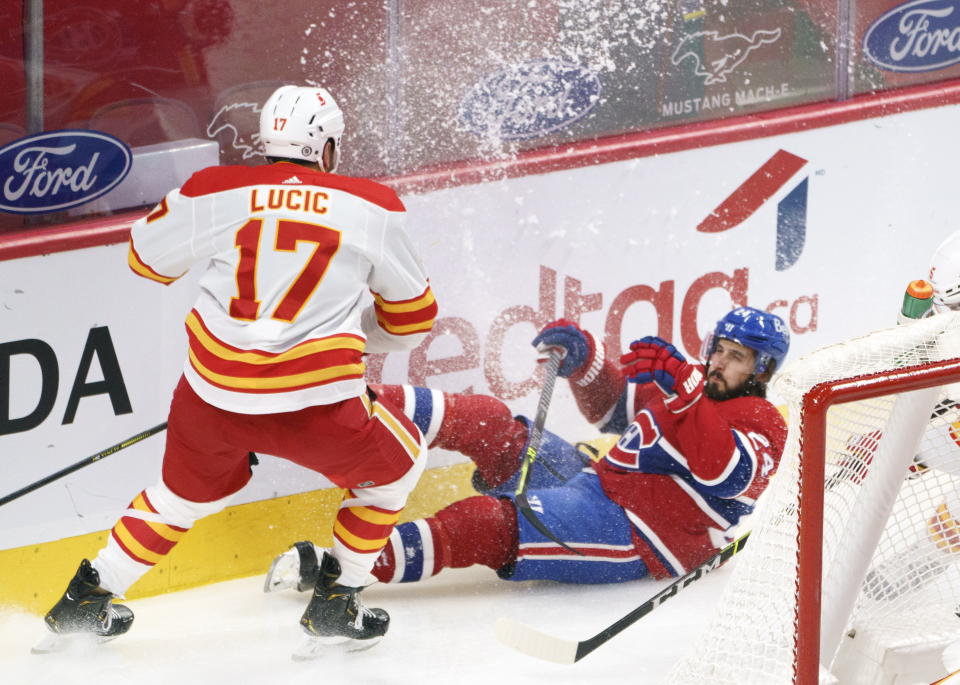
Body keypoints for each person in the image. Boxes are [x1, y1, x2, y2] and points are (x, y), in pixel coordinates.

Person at [37, 85, 438, 656]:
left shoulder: (213, 191)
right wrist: (355, 332)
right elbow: (414, 320)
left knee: (179, 498)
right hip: (316, 404)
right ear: (326, 148)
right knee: (398, 468)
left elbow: (145, 260)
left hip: (212, 397)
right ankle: (337, 601)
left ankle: (86, 598)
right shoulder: (373, 205)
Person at [264, 306, 789, 591]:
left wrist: (689, 389)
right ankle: (355, 404)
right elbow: (612, 409)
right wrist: (585, 362)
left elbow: (725, 471)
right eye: (717, 349)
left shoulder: (763, 422)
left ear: (760, 369)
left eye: (735, 356)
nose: (719, 362)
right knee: (492, 424)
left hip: (641, 534)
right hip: (595, 484)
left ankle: (342, 568)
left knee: (488, 524)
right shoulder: (688, 386)